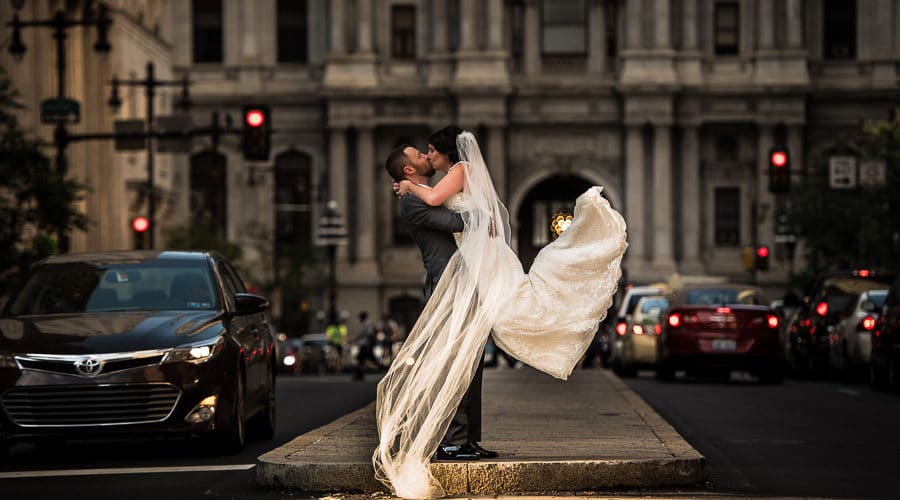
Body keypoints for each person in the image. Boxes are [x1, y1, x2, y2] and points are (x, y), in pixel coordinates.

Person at [373, 127, 628, 499]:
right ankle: (451, 441)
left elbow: (461, 212)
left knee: (472, 365)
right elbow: (459, 222)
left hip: (471, 283)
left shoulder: (429, 190)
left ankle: (467, 439)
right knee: (452, 366)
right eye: (419, 155)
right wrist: (466, 212)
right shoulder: (414, 201)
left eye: (428, 151)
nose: (426, 157)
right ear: (409, 171)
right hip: (450, 288)